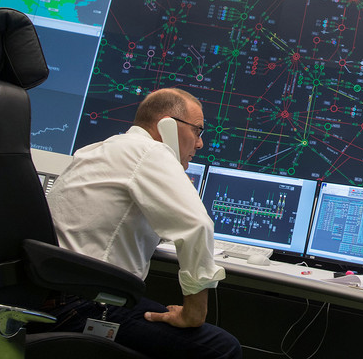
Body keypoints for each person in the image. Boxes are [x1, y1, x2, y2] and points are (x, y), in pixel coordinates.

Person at [37, 88, 240, 358]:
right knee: (221, 348)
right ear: (167, 125)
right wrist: (194, 313)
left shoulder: (99, 148)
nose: (200, 143)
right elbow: (197, 226)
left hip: (51, 297)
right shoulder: (150, 151)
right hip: (86, 305)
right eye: (198, 130)